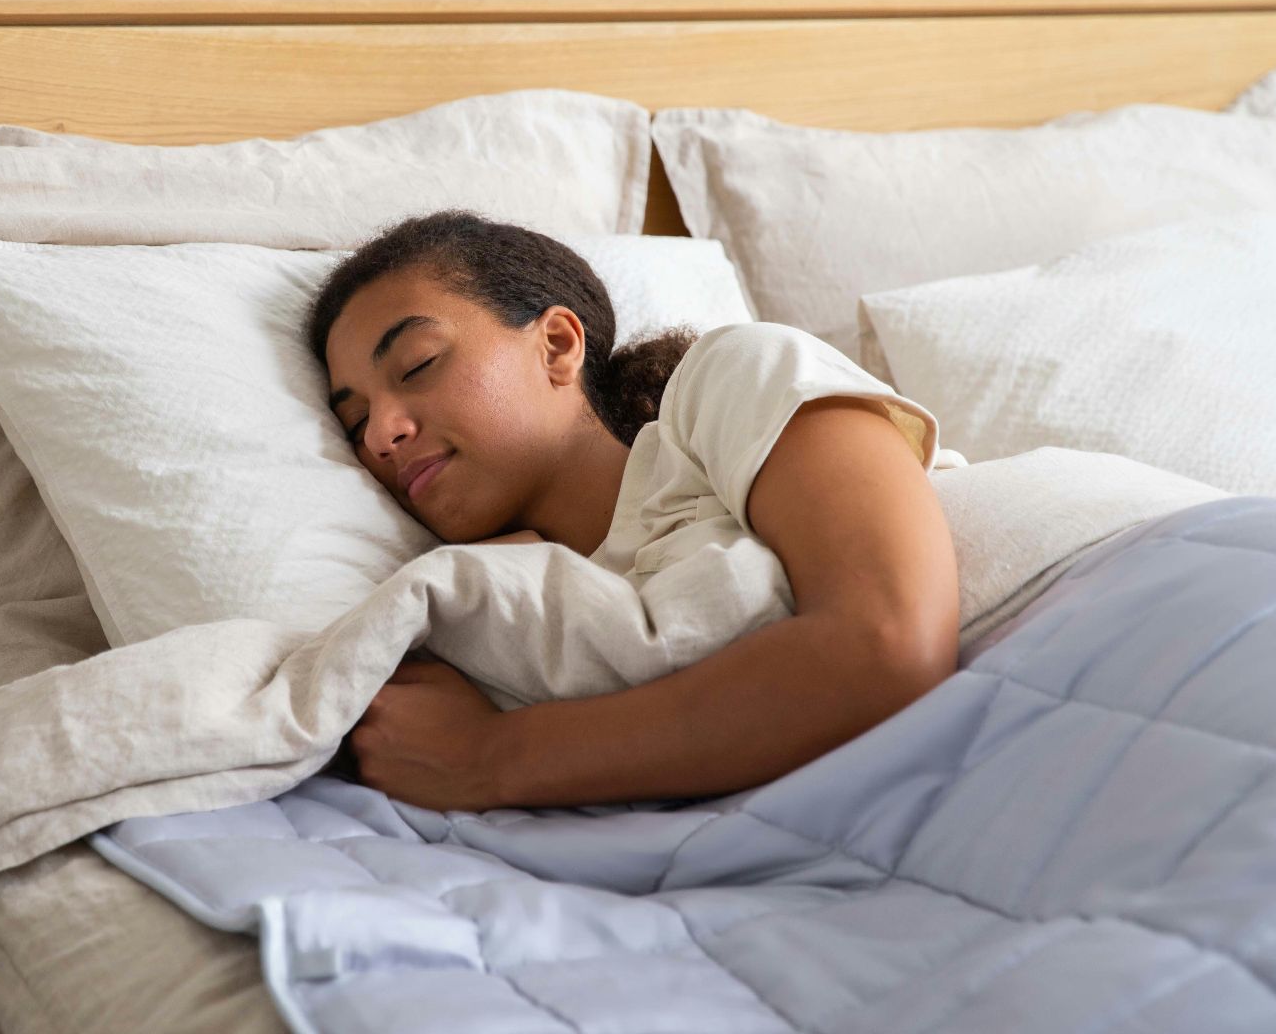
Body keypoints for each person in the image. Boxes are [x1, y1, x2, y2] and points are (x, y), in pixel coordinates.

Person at [310, 209, 959, 813]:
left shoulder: (733, 379)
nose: (381, 435)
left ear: (557, 345)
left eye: (418, 364)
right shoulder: (484, 615)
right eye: (355, 422)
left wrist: (492, 756)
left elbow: (888, 642)